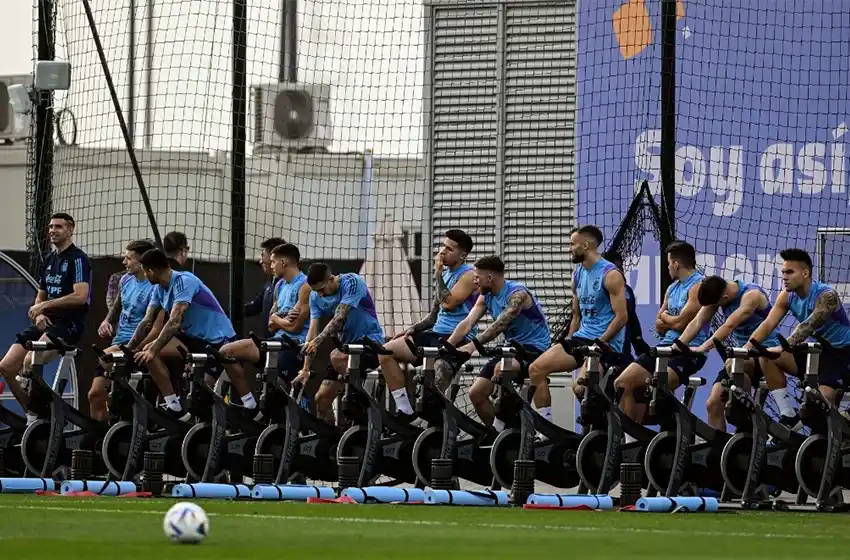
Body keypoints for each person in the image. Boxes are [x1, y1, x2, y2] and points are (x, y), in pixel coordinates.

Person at [527, 226, 628, 421]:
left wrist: (599, 343)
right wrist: (567, 342)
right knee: (535, 369)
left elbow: (622, 317)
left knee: (580, 388)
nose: (569, 249)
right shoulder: (578, 274)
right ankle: (546, 431)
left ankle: (606, 425)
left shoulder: (610, 275)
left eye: (572, 244)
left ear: (585, 245)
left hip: (605, 343)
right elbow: (576, 316)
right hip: (581, 338)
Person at [677, 275, 797, 430]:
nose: (716, 308)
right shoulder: (719, 294)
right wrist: (678, 345)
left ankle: (747, 411)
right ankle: (721, 449)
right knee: (712, 404)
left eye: (718, 304)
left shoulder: (751, 294)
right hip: (741, 357)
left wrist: (702, 347)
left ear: (725, 296)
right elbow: (697, 322)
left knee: (734, 365)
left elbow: (729, 325)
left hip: (765, 354)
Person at [126, 248, 235, 419]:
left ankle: (221, 423)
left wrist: (153, 349)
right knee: (148, 351)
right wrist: (128, 349)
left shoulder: (184, 281)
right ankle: (174, 406)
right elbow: (147, 321)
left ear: (151, 271)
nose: (144, 276)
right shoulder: (159, 289)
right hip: (191, 338)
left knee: (201, 394)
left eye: (145, 272)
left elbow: (175, 321)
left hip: (216, 340)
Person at [377, 229, 478, 415]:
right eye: (443, 246)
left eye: (449, 248)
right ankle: (405, 410)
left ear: (462, 255)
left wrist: (438, 273)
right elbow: (433, 315)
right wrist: (411, 330)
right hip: (434, 334)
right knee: (385, 352)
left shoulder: (469, 275)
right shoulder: (445, 274)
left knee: (433, 390)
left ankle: (438, 423)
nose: (442, 251)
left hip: (455, 339)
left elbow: (447, 304)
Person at [446, 256, 551, 430]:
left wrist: (472, 346)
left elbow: (500, 324)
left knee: (501, 369)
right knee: (476, 393)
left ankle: (538, 426)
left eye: (477, 277)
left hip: (534, 347)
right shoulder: (485, 296)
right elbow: (467, 323)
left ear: (489, 278)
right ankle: (502, 435)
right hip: (510, 348)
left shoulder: (517, 294)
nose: (474, 281)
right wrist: (448, 346)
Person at [0, 213, 91, 411]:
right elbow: (40, 296)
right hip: (46, 323)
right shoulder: (49, 260)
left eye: (58, 227)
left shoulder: (78, 259)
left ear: (70, 230)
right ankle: (31, 412)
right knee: (6, 367)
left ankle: (42, 406)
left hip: (68, 325)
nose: (52, 230)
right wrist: (40, 313)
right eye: (50, 227)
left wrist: (43, 307)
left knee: (30, 361)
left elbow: (80, 296)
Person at [614, 241, 707, 425]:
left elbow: (681, 324)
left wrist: (667, 318)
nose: (668, 268)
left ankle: (683, 429)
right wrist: (670, 320)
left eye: (668, 263)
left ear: (676, 264)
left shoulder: (698, 286)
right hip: (664, 347)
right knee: (622, 384)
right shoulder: (672, 288)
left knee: (658, 387)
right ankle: (633, 441)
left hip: (688, 351)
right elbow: (658, 325)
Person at [747, 248, 850, 407]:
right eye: (783, 273)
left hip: (842, 355)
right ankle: (787, 415)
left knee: (822, 402)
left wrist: (784, 347)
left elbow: (807, 326)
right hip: (818, 352)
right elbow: (767, 324)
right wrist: (746, 349)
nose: (784, 277)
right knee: (766, 355)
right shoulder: (786, 296)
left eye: (789, 272)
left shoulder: (827, 295)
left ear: (805, 273)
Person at [219, 243, 310, 409]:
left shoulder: (305, 286)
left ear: (283, 262)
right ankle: (249, 403)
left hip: (294, 346)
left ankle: (302, 419)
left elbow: (295, 327)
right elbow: (270, 325)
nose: (270, 265)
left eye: (273, 262)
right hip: (274, 342)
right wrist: (280, 319)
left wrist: (277, 319)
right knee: (226, 352)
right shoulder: (279, 285)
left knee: (279, 391)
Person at [294, 263, 384, 421]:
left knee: (336, 357)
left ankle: (365, 407)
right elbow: (312, 331)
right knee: (321, 399)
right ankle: (332, 439)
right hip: (346, 349)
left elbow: (339, 318)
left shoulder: (352, 282)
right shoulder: (315, 296)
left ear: (331, 279)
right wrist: (306, 369)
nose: (320, 295)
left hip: (370, 344)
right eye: (316, 291)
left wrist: (318, 341)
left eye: (322, 289)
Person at [89, 239, 160, 421]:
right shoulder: (125, 280)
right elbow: (117, 307)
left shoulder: (155, 287)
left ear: (142, 262)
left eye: (128, 258)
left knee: (119, 402)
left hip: (135, 346)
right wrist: (106, 321)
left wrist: (132, 347)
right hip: (118, 342)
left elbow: (149, 322)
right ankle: (100, 438)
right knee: (95, 395)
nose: (124, 262)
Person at [603, 250, 650, 359]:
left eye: (621, 267)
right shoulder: (597, 291)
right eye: (616, 268)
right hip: (603, 348)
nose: (620, 272)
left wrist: (638, 340)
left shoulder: (627, 290)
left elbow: (632, 317)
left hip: (624, 350)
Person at [244, 237, 287, 339]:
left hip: (281, 343)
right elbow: (255, 306)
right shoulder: (270, 282)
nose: (260, 261)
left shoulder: (287, 284)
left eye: (263, 255)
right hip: (269, 341)